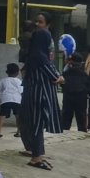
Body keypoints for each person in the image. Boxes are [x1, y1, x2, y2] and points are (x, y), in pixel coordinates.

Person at [20, 14, 62, 169]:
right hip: (40, 92)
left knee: (38, 123)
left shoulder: (33, 56)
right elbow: (53, 76)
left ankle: (38, 155)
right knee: (38, 123)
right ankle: (36, 157)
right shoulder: (41, 57)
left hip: (35, 91)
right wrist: (58, 77)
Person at [61, 44, 90, 133]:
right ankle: (82, 131)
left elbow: (62, 84)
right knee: (81, 117)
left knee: (66, 116)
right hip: (81, 98)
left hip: (68, 98)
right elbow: (87, 86)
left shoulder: (66, 73)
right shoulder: (84, 74)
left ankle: (64, 130)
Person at [0, 63, 24, 139]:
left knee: (2, 115)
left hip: (5, 99)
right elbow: (22, 92)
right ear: (17, 73)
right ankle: (19, 131)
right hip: (17, 100)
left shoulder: (3, 81)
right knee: (18, 116)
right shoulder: (19, 81)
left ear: (7, 72)